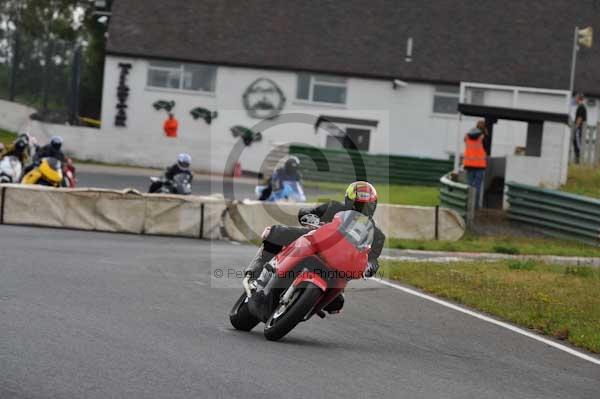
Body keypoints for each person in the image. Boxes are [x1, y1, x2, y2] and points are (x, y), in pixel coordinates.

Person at [245, 181, 385, 314]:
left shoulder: (377, 235)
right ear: (349, 201)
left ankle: (303, 307)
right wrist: (313, 218)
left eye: (368, 206)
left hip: (339, 265)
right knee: (275, 233)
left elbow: (373, 259)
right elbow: (306, 212)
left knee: (337, 303)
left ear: (374, 206)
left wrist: (369, 266)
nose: (362, 210)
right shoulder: (334, 207)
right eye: (358, 206)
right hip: (315, 240)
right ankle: (258, 270)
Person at [463, 122, 487, 209]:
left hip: (468, 164)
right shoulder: (483, 137)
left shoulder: (466, 136)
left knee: (469, 186)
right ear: (484, 128)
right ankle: (475, 207)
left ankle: (467, 205)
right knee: (477, 187)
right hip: (480, 166)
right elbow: (486, 149)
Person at [572, 93, 587, 164]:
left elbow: (580, 118)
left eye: (576, 98)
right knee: (576, 144)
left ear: (579, 99)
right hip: (580, 129)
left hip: (579, 129)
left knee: (577, 145)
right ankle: (577, 160)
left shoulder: (581, 107)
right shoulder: (581, 107)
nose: (575, 99)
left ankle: (578, 161)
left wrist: (576, 127)